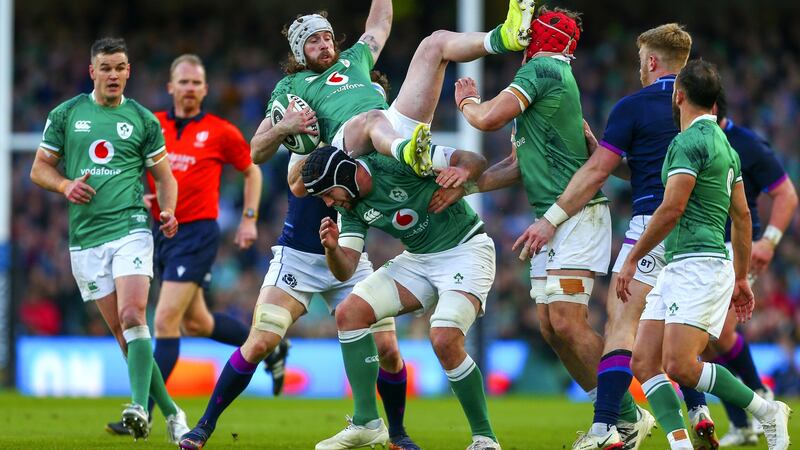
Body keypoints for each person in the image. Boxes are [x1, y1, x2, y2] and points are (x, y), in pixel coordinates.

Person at [473, 23, 691, 449]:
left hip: (579, 217)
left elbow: (486, 118)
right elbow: (520, 164)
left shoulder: (544, 75)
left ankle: (616, 420)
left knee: (578, 324)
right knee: (551, 328)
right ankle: (632, 417)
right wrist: (465, 186)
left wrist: (465, 100)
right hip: (559, 216)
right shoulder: (540, 100)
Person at [178, 75, 420, 450]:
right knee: (259, 341)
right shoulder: (313, 130)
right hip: (299, 257)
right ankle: (203, 427)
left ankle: (398, 435)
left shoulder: (380, 140)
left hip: (350, 257)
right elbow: (294, 181)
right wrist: (319, 138)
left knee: (388, 349)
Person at [103, 53, 291, 435]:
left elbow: (252, 170)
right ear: (171, 87)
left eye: (196, 83)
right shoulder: (151, 125)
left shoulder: (220, 131)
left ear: (205, 89)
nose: (189, 88)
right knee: (197, 322)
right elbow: (127, 168)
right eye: (183, 82)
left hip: (197, 233)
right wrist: (135, 195)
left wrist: (249, 219)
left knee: (166, 320)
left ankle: (146, 412)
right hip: (158, 234)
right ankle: (272, 347)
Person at [617, 59, 791, 450]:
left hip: (697, 264)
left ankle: (765, 411)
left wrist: (632, 258)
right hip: (684, 264)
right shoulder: (726, 148)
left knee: (680, 365)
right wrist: (742, 277)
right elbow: (743, 215)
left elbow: (672, 207)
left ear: (678, 96)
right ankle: (680, 443)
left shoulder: (687, 143)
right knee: (643, 360)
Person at [29, 37, 190, 443]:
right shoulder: (66, 115)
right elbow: (39, 169)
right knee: (124, 333)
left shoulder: (142, 120)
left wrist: (167, 212)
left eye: (120, 67)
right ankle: (172, 413)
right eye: (106, 68)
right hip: (85, 239)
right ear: (92, 72)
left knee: (135, 315)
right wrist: (65, 185)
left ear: (128, 71)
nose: (113, 74)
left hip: (132, 228)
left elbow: (165, 177)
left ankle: (138, 407)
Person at [301, 145, 498, 450]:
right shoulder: (347, 205)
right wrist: (332, 249)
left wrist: (460, 173)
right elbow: (346, 269)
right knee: (349, 312)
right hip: (418, 259)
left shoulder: (396, 160)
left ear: (344, 175)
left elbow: (476, 159)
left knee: (444, 338)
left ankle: (485, 439)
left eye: (328, 193)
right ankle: (366, 422)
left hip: (465, 250)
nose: (328, 202)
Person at [249, 0, 539, 186]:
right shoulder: (291, 86)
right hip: (351, 142)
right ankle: (408, 152)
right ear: (299, 53)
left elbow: (379, 24)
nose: (325, 44)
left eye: (327, 37)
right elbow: (256, 151)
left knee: (434, 43)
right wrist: (284, 127)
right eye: (314, 41)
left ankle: (505, 37)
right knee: (372, 119)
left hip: (390, 125)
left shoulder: (353, 58)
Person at [703, 89, 798, 447]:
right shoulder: (693, 139)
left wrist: (769, 241)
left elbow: (786, 193)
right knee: (708, 343)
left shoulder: (746, 143)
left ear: (710, 107)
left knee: (719, 335)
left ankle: (761, 398)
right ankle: (742, 423)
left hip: (737, 249)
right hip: (705, 250)